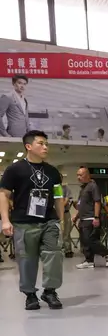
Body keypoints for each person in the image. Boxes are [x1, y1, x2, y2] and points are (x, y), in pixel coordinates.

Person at [0, 130, 65, 310]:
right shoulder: (14, 170)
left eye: (46, 143)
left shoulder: (52, 172)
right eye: (41, 143)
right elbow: (3, 194)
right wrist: (5, 220)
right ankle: (30, 294)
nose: (45, 147)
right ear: (29, 146)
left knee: (54, 256)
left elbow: (58, 196)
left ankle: (50, 291)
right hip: (24, 221)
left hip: (49, 220)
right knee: (27, 259)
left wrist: (60, 220)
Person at [74, 167, 108, 269]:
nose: (79, 177)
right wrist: (76, 215)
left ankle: (107, 254)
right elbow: (81, 204)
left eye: (81, 175)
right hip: (83, 218)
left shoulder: (93, 186)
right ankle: (89, 261)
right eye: (77, 175)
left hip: (91, 217)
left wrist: (96, 217)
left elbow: (97, 202)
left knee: (90, 239)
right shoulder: (83, 189)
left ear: (88, 175)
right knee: (84, 241)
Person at [61, 177, 74, 258]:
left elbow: (66, 200)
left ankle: (68, 250)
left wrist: (60, 207)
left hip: (65, 213)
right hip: (54, 214)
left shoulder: (65, 189)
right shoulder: (52, 188)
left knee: (66, 232)